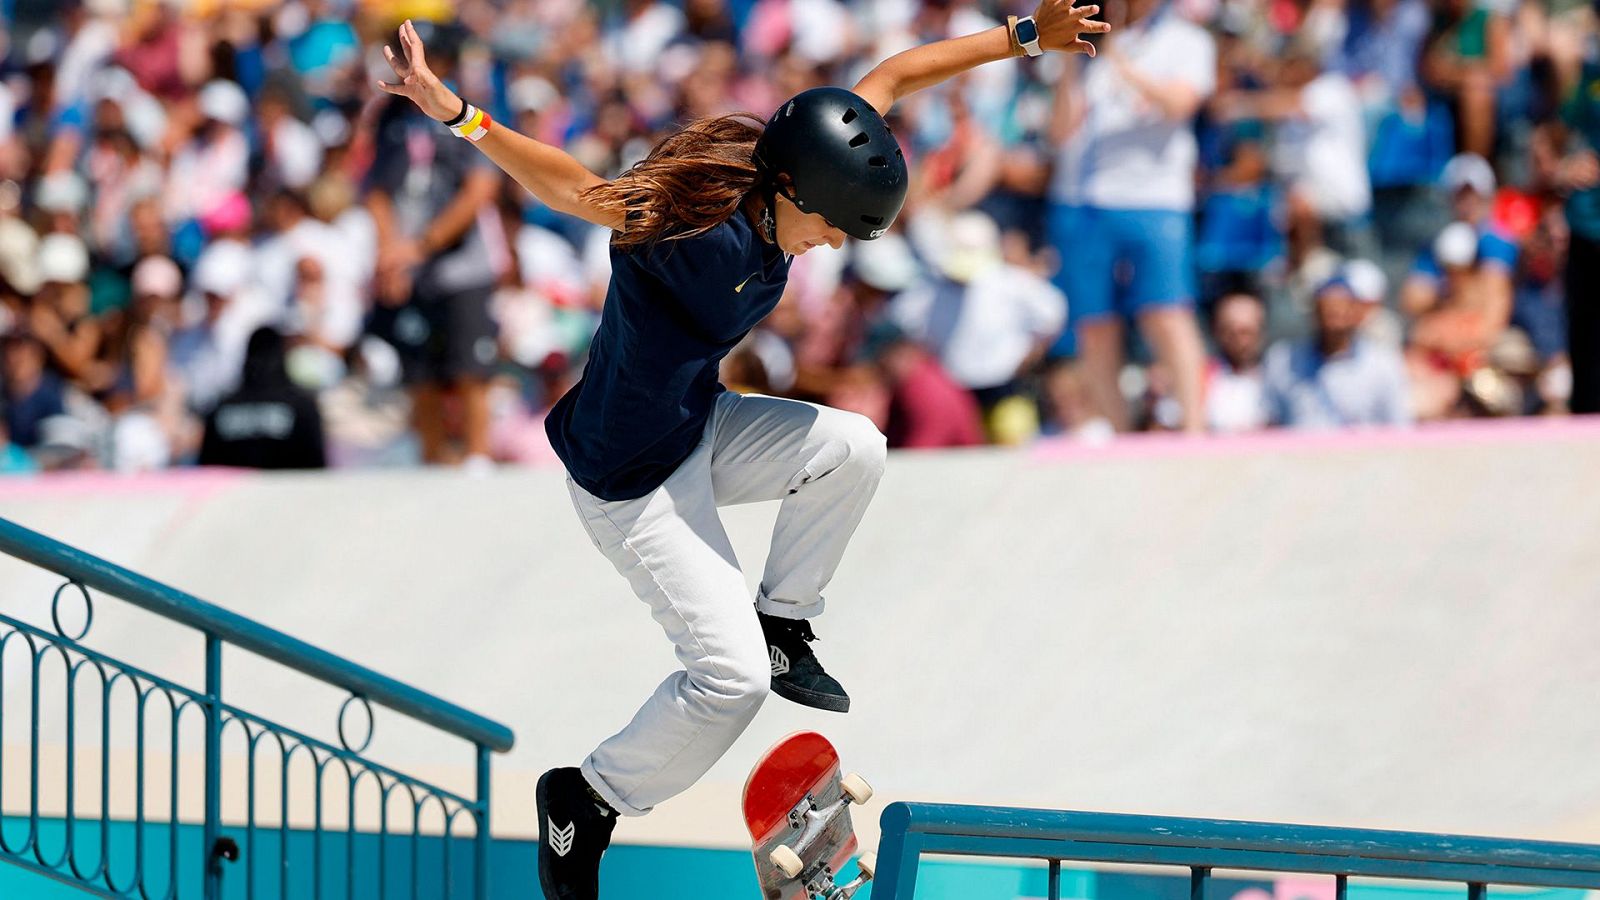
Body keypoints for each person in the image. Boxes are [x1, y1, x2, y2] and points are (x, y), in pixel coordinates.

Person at [375, 4, 1108, 898]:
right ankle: (588, 798)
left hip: (700, 426)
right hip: (626, 481)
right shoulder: (684, 227)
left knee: (853, 446)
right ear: (793, 192)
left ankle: (785, 619)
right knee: (729, 681)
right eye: (834, 226)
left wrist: (1029, 37)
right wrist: (455, 111)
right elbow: (570, 186)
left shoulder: (800, 157)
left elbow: (898, 76)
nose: (833, 243)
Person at [1047, 0, 1213, 433]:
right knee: (1094, 325)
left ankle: (1194, 429)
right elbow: (1060, 131)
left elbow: (1179, 104)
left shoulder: (1188, 40)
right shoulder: (1090, 45)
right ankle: (1117, 431)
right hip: (1083, 200)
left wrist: (1121, 61)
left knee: (1166, 313)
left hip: (1154, 197)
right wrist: (1068, 63)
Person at [1264, 277, 1412, 428]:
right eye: (1326, 313)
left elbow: (1398, 424)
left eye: (1339, 313)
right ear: (1314, 314)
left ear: (1355, 314)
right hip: (1296, 450)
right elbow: (1270, 420)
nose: (1333, 323)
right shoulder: (1283, 360)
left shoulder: (1383, 363)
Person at [197, 327, 327, 470]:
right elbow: (316, 468)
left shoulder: (221, 408)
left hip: (238, 492)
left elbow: (207, 468)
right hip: (288, 490)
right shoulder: (302, 407)